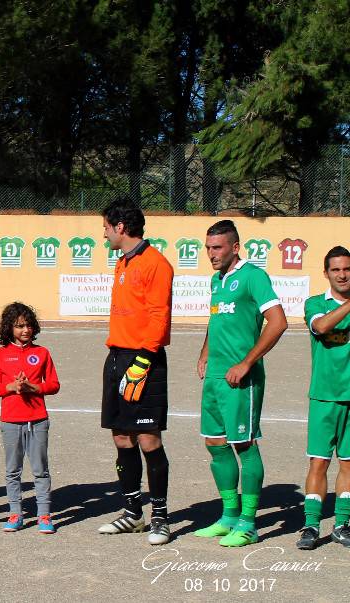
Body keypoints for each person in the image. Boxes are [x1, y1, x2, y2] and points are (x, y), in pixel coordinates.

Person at [193, 219, 287, 548]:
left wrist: (247, 362)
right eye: (207, 248)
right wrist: (205, 353)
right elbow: (215, 319)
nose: (211, 254)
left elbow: (279, 322)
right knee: (215, 444)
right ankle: (229, 516)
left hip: (240, 379)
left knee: (244, 446)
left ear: (235, 247)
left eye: (216, 248)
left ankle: (249, 524)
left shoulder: (253, 276)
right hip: (215, 377)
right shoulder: (217, 280)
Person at [97, 198, 174, 545]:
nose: (104, 233)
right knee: (121, 436)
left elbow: (159, 314)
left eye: (106, 227)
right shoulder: (122, 262)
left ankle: (160, 516)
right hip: (117, 357)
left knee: (148, 438)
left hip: (144, 360)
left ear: (121, 228)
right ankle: (133, 514)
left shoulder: (155, 263)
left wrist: (143, 360)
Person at [294, 246, 350, 550]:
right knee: (319, 462)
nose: (342, 275)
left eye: (347, 269)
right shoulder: (315, 303)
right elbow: (322, 326)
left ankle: (342, 524)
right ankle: (311, 525)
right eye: (336, 270)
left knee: (349, 464)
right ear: (326, 273)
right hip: (324, 396)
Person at [0, 302, 59, 534]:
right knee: (13, 470)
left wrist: (33, 387)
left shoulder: (42, 353)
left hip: (37, 419)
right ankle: (15, 512)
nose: (25, 330)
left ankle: (44, 515)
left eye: (28, 325)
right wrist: (11, 386)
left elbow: (54, 385)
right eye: (19, 326)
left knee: (40, 470)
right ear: (9, 328)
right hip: (10, 420)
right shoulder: (0, 354)